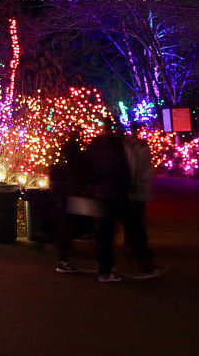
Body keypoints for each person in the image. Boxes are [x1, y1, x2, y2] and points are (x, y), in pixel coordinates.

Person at [85, 118, 131, 282]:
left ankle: (103, 267)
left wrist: (91, 185)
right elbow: (122, 169)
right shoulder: (115, 146)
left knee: (102, 232)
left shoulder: (94, 145)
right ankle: (106, 271)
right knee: (108, 232)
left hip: (98, 193)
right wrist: (126, 188)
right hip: (112, 194)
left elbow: (87, 167)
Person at [124, 125, 164, 279]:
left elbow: (136, 168)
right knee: (137, 223)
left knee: (134, 221)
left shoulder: (131, 148)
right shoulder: (139, 148)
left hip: (134, 190)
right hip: (137, 190)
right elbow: (143, 170)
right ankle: (142, 258)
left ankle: (131, 247)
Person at [49, 133, 87, 273]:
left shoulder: (58, 167)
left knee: (64, 230)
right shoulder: (76, 167)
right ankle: (64, 260)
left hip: (62, 203)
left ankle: (64, 259)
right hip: (71, 201)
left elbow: (54, 186)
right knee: (70, 229)